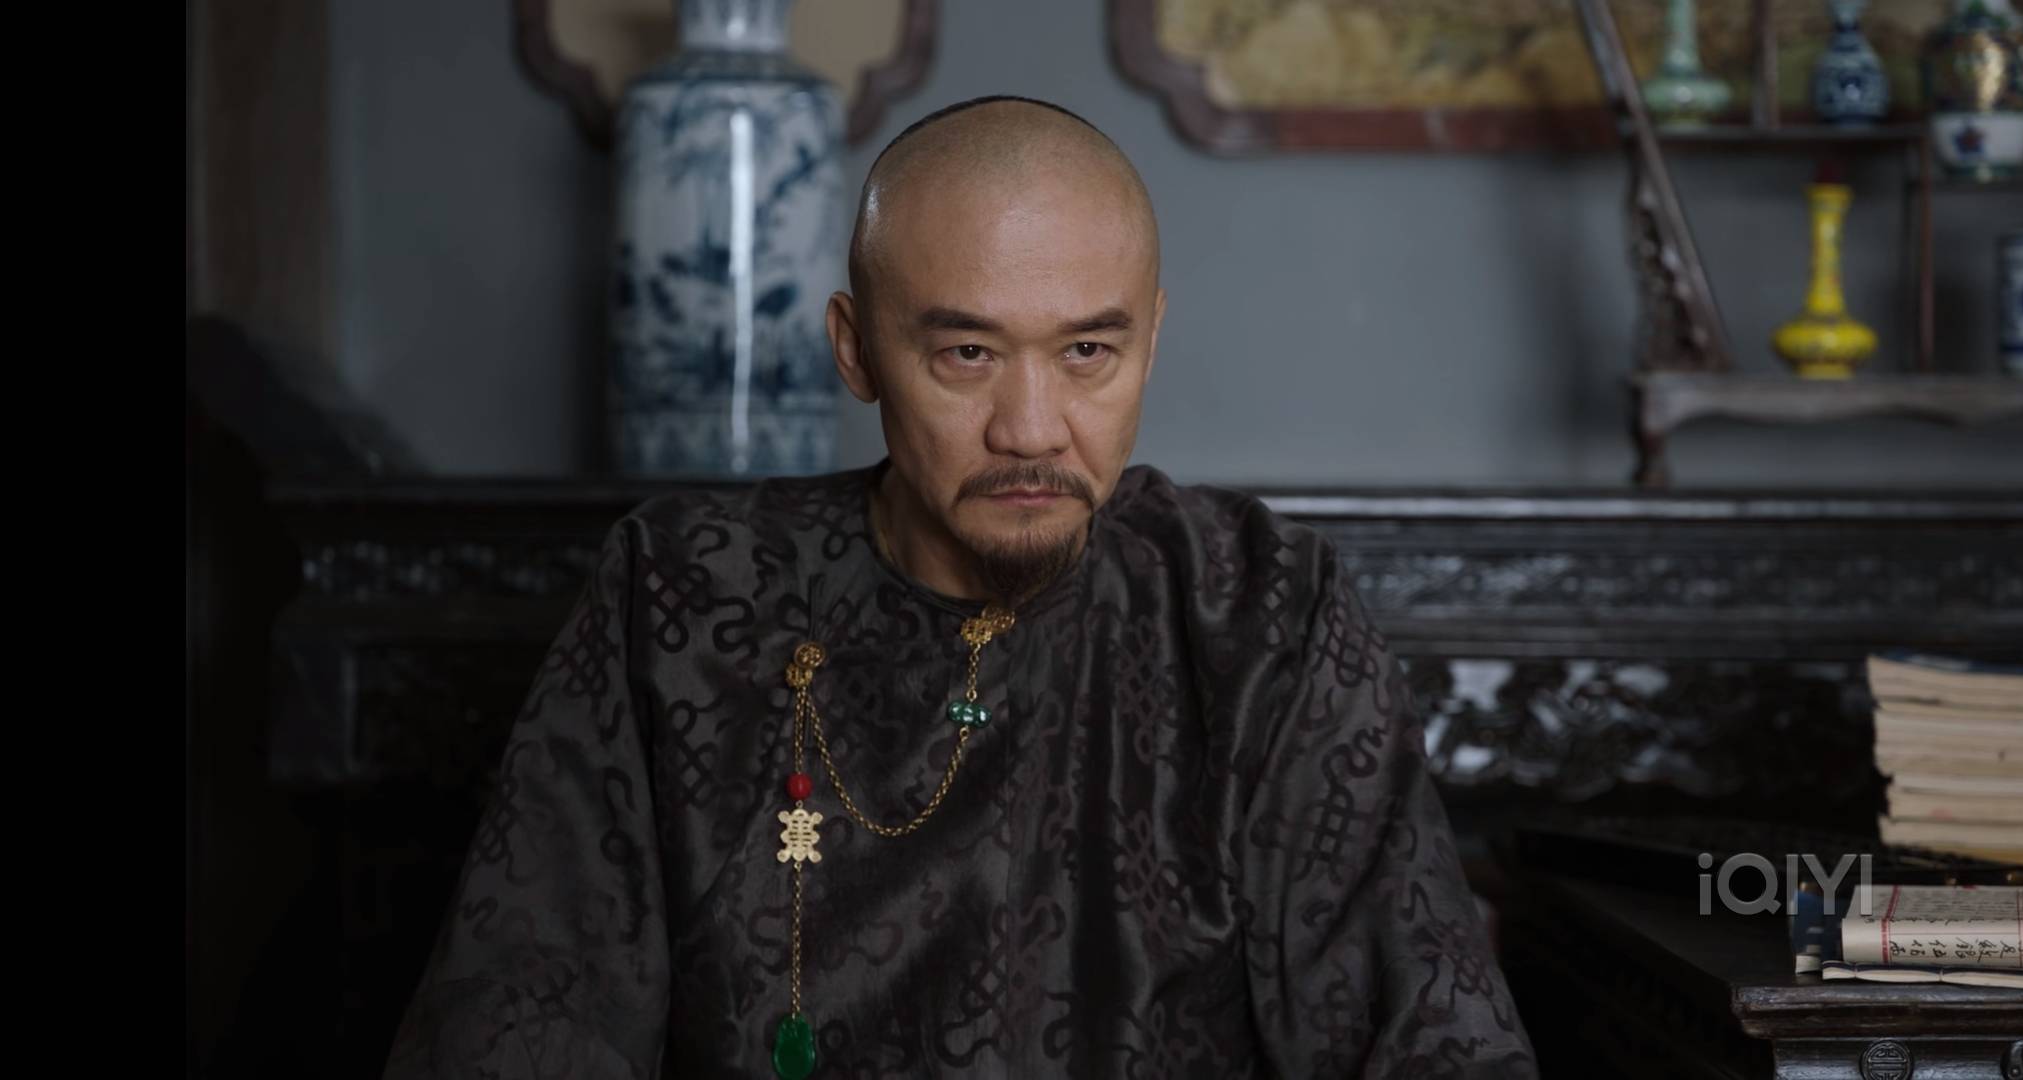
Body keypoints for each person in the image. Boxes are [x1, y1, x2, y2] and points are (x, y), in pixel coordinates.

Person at [385, 95, 1538, 1079]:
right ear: (855, 349)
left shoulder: (1257, 612)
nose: (1030, 429)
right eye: (966, 355)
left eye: (1088, 352)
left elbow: (1434, 1040)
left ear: (1150, 339)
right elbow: (519, 1022)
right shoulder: (684, 596)